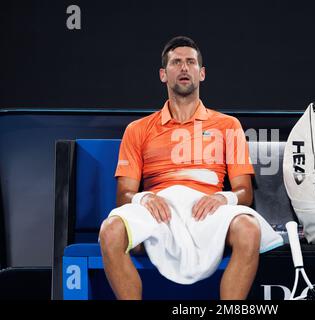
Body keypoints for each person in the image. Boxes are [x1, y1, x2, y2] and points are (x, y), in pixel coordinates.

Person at [98, 36, 283, 300]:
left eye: (190, 62)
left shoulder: (228, 125)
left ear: (202, 73)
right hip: (160, 212)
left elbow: (244, 192)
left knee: (248, 229)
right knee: (110, 231)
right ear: (163, 74)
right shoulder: (137, 130)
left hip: (206, 212)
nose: (184, 68)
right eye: (176, 62)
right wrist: (145, 197)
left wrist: (223, 197)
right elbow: (124, 194)